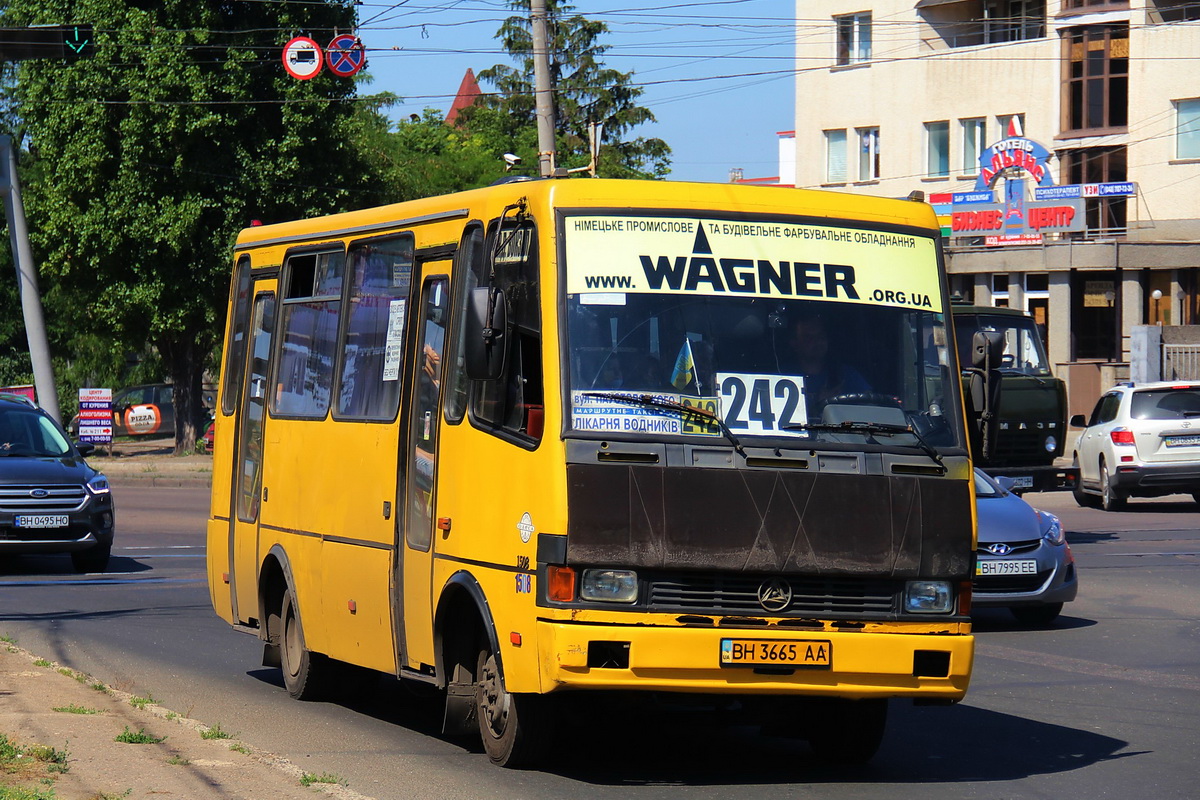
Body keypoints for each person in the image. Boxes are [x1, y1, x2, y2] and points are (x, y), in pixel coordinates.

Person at [784, 313, 870, 403]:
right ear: (794, 343)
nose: (817, 342)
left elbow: (870, 404)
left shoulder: (845, 374)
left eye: (821, 336)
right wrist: (820, 404)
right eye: (809, 337)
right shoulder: (784, 375)